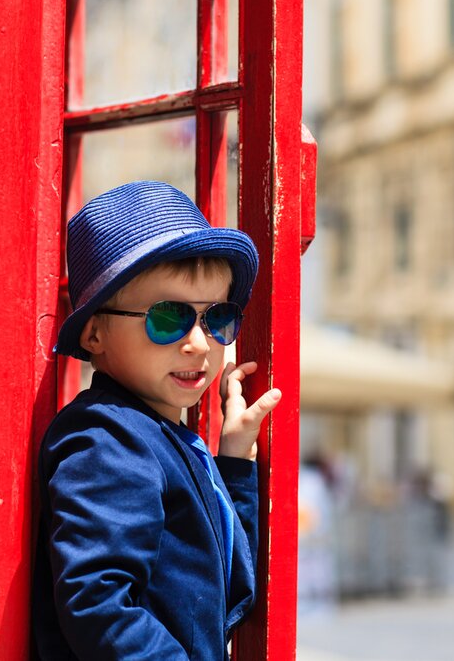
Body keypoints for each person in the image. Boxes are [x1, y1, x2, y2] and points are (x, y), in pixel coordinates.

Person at [33, 181, 282, 660]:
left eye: (218, 318)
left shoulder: (163, 436)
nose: (197, 342)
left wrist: (232, 463)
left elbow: (222, 589)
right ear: (94, 333)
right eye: (168, 319)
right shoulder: (106, 438)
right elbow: (98, 604)